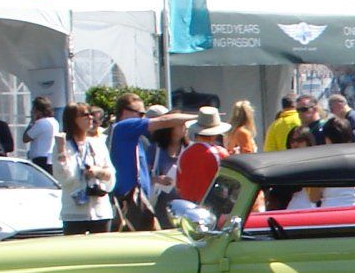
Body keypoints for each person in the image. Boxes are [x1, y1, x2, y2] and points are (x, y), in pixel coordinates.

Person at [108, 93, 192, 230]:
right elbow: (164, 120)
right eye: (140, 114)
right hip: (129, 199)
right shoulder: (123, 127)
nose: (144, 118)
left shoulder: (136, 138)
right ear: (124, 112)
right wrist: (198, 116)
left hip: (139, 199)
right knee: (154, 239)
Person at [54, 101, 114, 234]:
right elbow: (64, 179)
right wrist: (61, 152)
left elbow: (111, 175)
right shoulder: (63, 146)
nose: (90, 118)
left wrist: (98, 172)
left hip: (100, 211)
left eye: (91, 114)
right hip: (74, 213)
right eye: (84, 115)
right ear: (72, 120)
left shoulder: (98, 143)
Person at [172, 107, 230, 204]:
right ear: (215, 133)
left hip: (189, 209)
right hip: (213, 207)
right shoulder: (220, 153)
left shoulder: (184, 153)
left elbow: (178, 187)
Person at [23, 96, 58, 170]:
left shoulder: (40, 124)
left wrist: (32, 122)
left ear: (38, 110)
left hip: (40, 159)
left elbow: (25, 138)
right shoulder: (54, 122)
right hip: (50, 158)